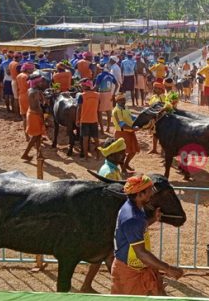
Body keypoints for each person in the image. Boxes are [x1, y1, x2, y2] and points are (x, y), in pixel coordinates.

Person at [111, 175, 184, 295]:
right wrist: (168, 269)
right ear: (139, 194)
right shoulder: (133, 217)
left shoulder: (135, 207)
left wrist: (153, 219)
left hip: (139, 267)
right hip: (129, 272)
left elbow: (137, 229)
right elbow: (141, 253)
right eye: (149, 190)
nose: (152, 193)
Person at [80, 137, 126, 293]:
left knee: (103, 255)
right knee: (106, 254)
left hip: (108, 217)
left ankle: (87, 286)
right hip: (108, 219)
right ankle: (123, 288)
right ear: (112, 154)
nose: (124, 155)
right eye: (122, 153)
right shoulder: (110, 172)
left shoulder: (113, 168)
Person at [21, 74, 48, 161]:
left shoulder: (30, 90)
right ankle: (25, 154)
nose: (42, 83)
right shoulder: (35, 92)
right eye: (41, 82)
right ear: (37, 82)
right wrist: (42, 117)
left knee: (38, 136)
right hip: (35, 115)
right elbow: (37, 106)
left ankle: (39, 154)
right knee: (35, 136)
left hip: (31, 113)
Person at [113, 93, 140, 173]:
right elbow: (121, 124)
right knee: (123, 153)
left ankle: (126, 165)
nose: (123, 101)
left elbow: (130, 116)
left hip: (130, 132)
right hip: (122, 133)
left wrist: (138, 118)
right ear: (117, 101)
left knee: (133, 151)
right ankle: (123, 169)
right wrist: (133, 128)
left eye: (124, 99)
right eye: (120, 100)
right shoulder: (116, 111)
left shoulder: (125, 107)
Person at [76, 79, 100, 159]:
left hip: (84, 120)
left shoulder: (81, 96)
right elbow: (98, 108)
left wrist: (77, 120)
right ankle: (98, 156)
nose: (82, 87)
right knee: (96, 139)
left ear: (86, 86)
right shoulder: (97, 95)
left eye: (82, 85)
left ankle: (86, 157)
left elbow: (79, 109)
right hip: (94, 119)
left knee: (85, 139)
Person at [94, 65, 119, 134]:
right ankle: (108, 128)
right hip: (109, 93)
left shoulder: (100, 75)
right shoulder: (111, 76)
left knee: (99, 112)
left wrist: (90, 90)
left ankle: (102, 129)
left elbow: (96, 86)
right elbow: (117, 84)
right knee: (109, 112)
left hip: (101, 94)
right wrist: (113, 93)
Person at [17, 62, 34, 138]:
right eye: (31, 69)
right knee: (31, 116)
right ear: (27, 69)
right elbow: (30, 87)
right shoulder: (27, 77)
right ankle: (33, 133)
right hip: (28, 96)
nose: (32, 70)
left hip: (21, 96)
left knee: (24, 117)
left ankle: (26, 135)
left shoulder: (19, 76)